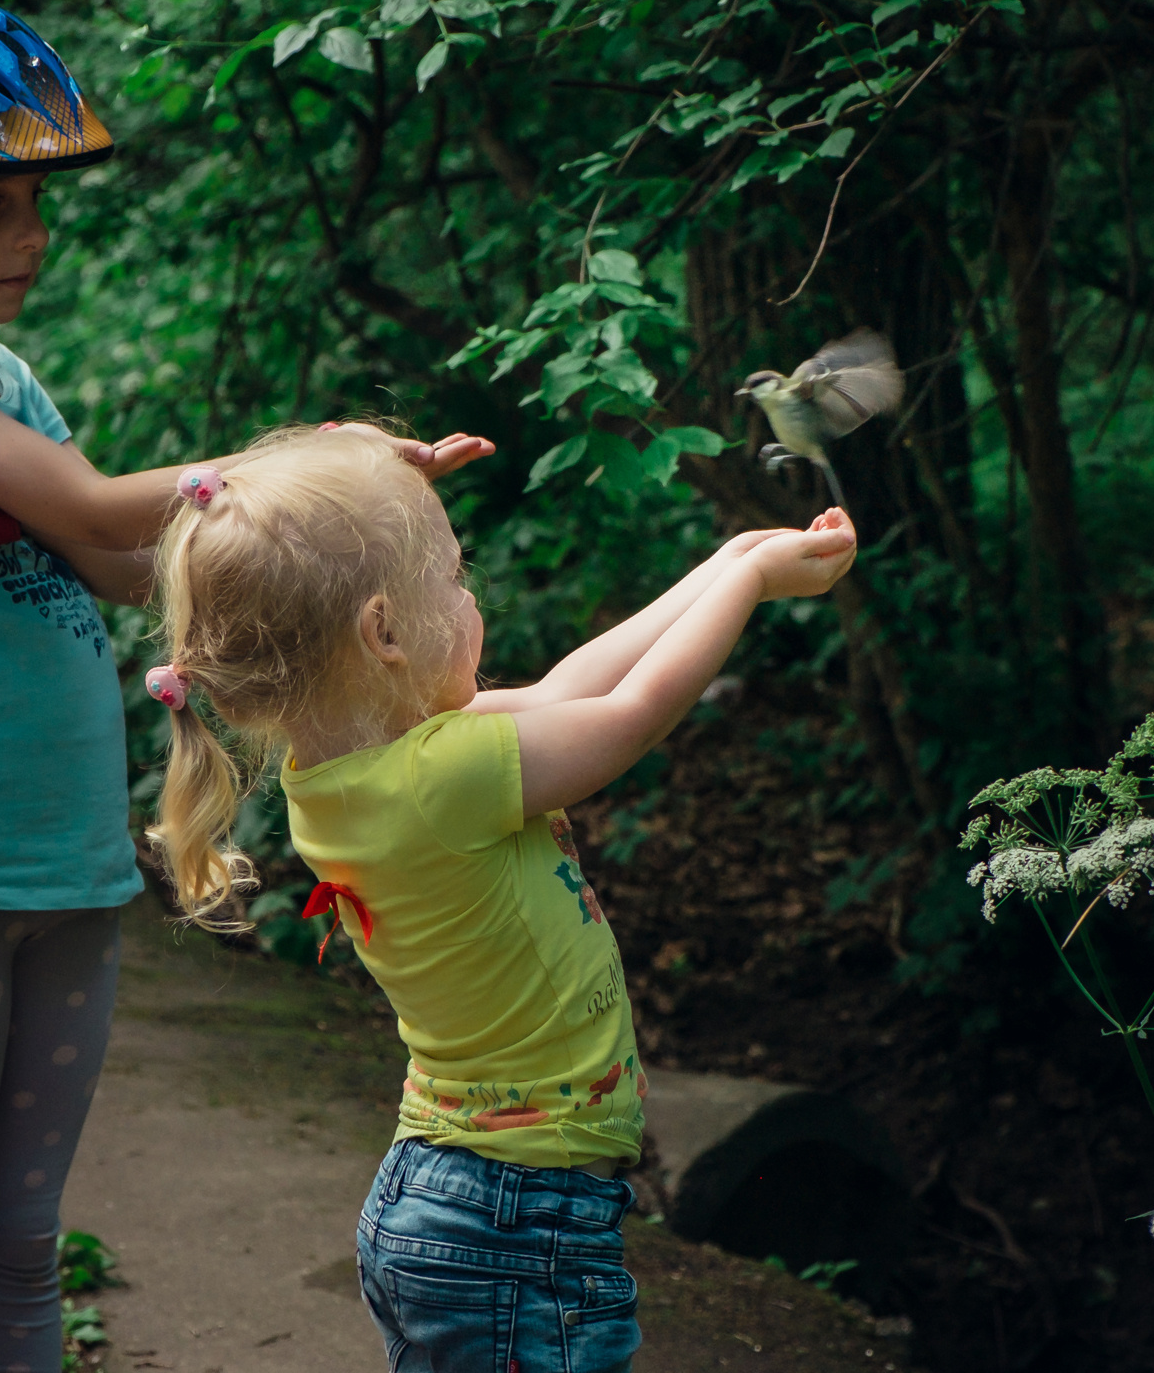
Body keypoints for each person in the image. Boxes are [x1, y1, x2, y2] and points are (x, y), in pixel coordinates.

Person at [0, 0, 486, 1373]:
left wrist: (26, 514)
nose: (29, 237)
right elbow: (101, 502)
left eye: (32, 205)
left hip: (70, 866)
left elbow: (105, 557)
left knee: (24, 1247)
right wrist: (311, 459)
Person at [143, 425, 856, 1373]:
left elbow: (569, 687)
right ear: (385, 633)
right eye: (451, 578)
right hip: (515, 1221)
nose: (469, 596)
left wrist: (725, 562)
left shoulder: (348, 771)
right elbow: (626, 716)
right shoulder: (442, 774)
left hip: (457, 1200)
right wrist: (750, 587)